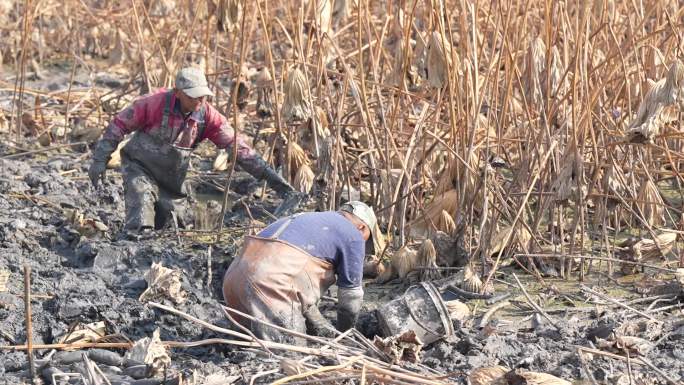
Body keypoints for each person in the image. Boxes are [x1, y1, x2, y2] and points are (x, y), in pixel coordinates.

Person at [88, 67, 298, 232]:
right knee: (142, 212)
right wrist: (99, 160)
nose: (199, 101)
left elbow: (238, 148)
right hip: (140, 167)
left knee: (173, 224)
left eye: (203, 97)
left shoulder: (208, 117)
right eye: (193, 96)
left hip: (172, 178)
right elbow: (118, 126)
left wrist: (273, 179)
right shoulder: (152, 103)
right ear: (177, 92)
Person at [222, 201, 376, 341]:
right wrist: (345, 336)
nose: (363, 245)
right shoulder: (354, 234)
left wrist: (322, 327)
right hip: (269, 282)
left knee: (245, 347)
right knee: (290, 354)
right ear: (362, 227)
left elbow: (296, 285)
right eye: (366, 239)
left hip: (233, 278)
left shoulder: (308, 219)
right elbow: (351, 297)